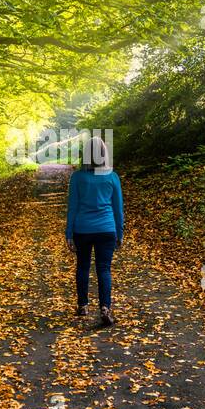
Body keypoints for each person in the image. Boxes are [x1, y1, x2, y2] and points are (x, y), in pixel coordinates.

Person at [64, 135, 123, 326]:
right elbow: (118, 208)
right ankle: (105, 307)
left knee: (82, 266)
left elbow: (72, 206)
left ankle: (83, 305)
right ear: (104, 154)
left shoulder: (78, 177)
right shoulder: (112, 177)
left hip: (83, 229)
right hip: (107, 229)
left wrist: (69, 233)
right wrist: (119, 233)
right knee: (104, 269)